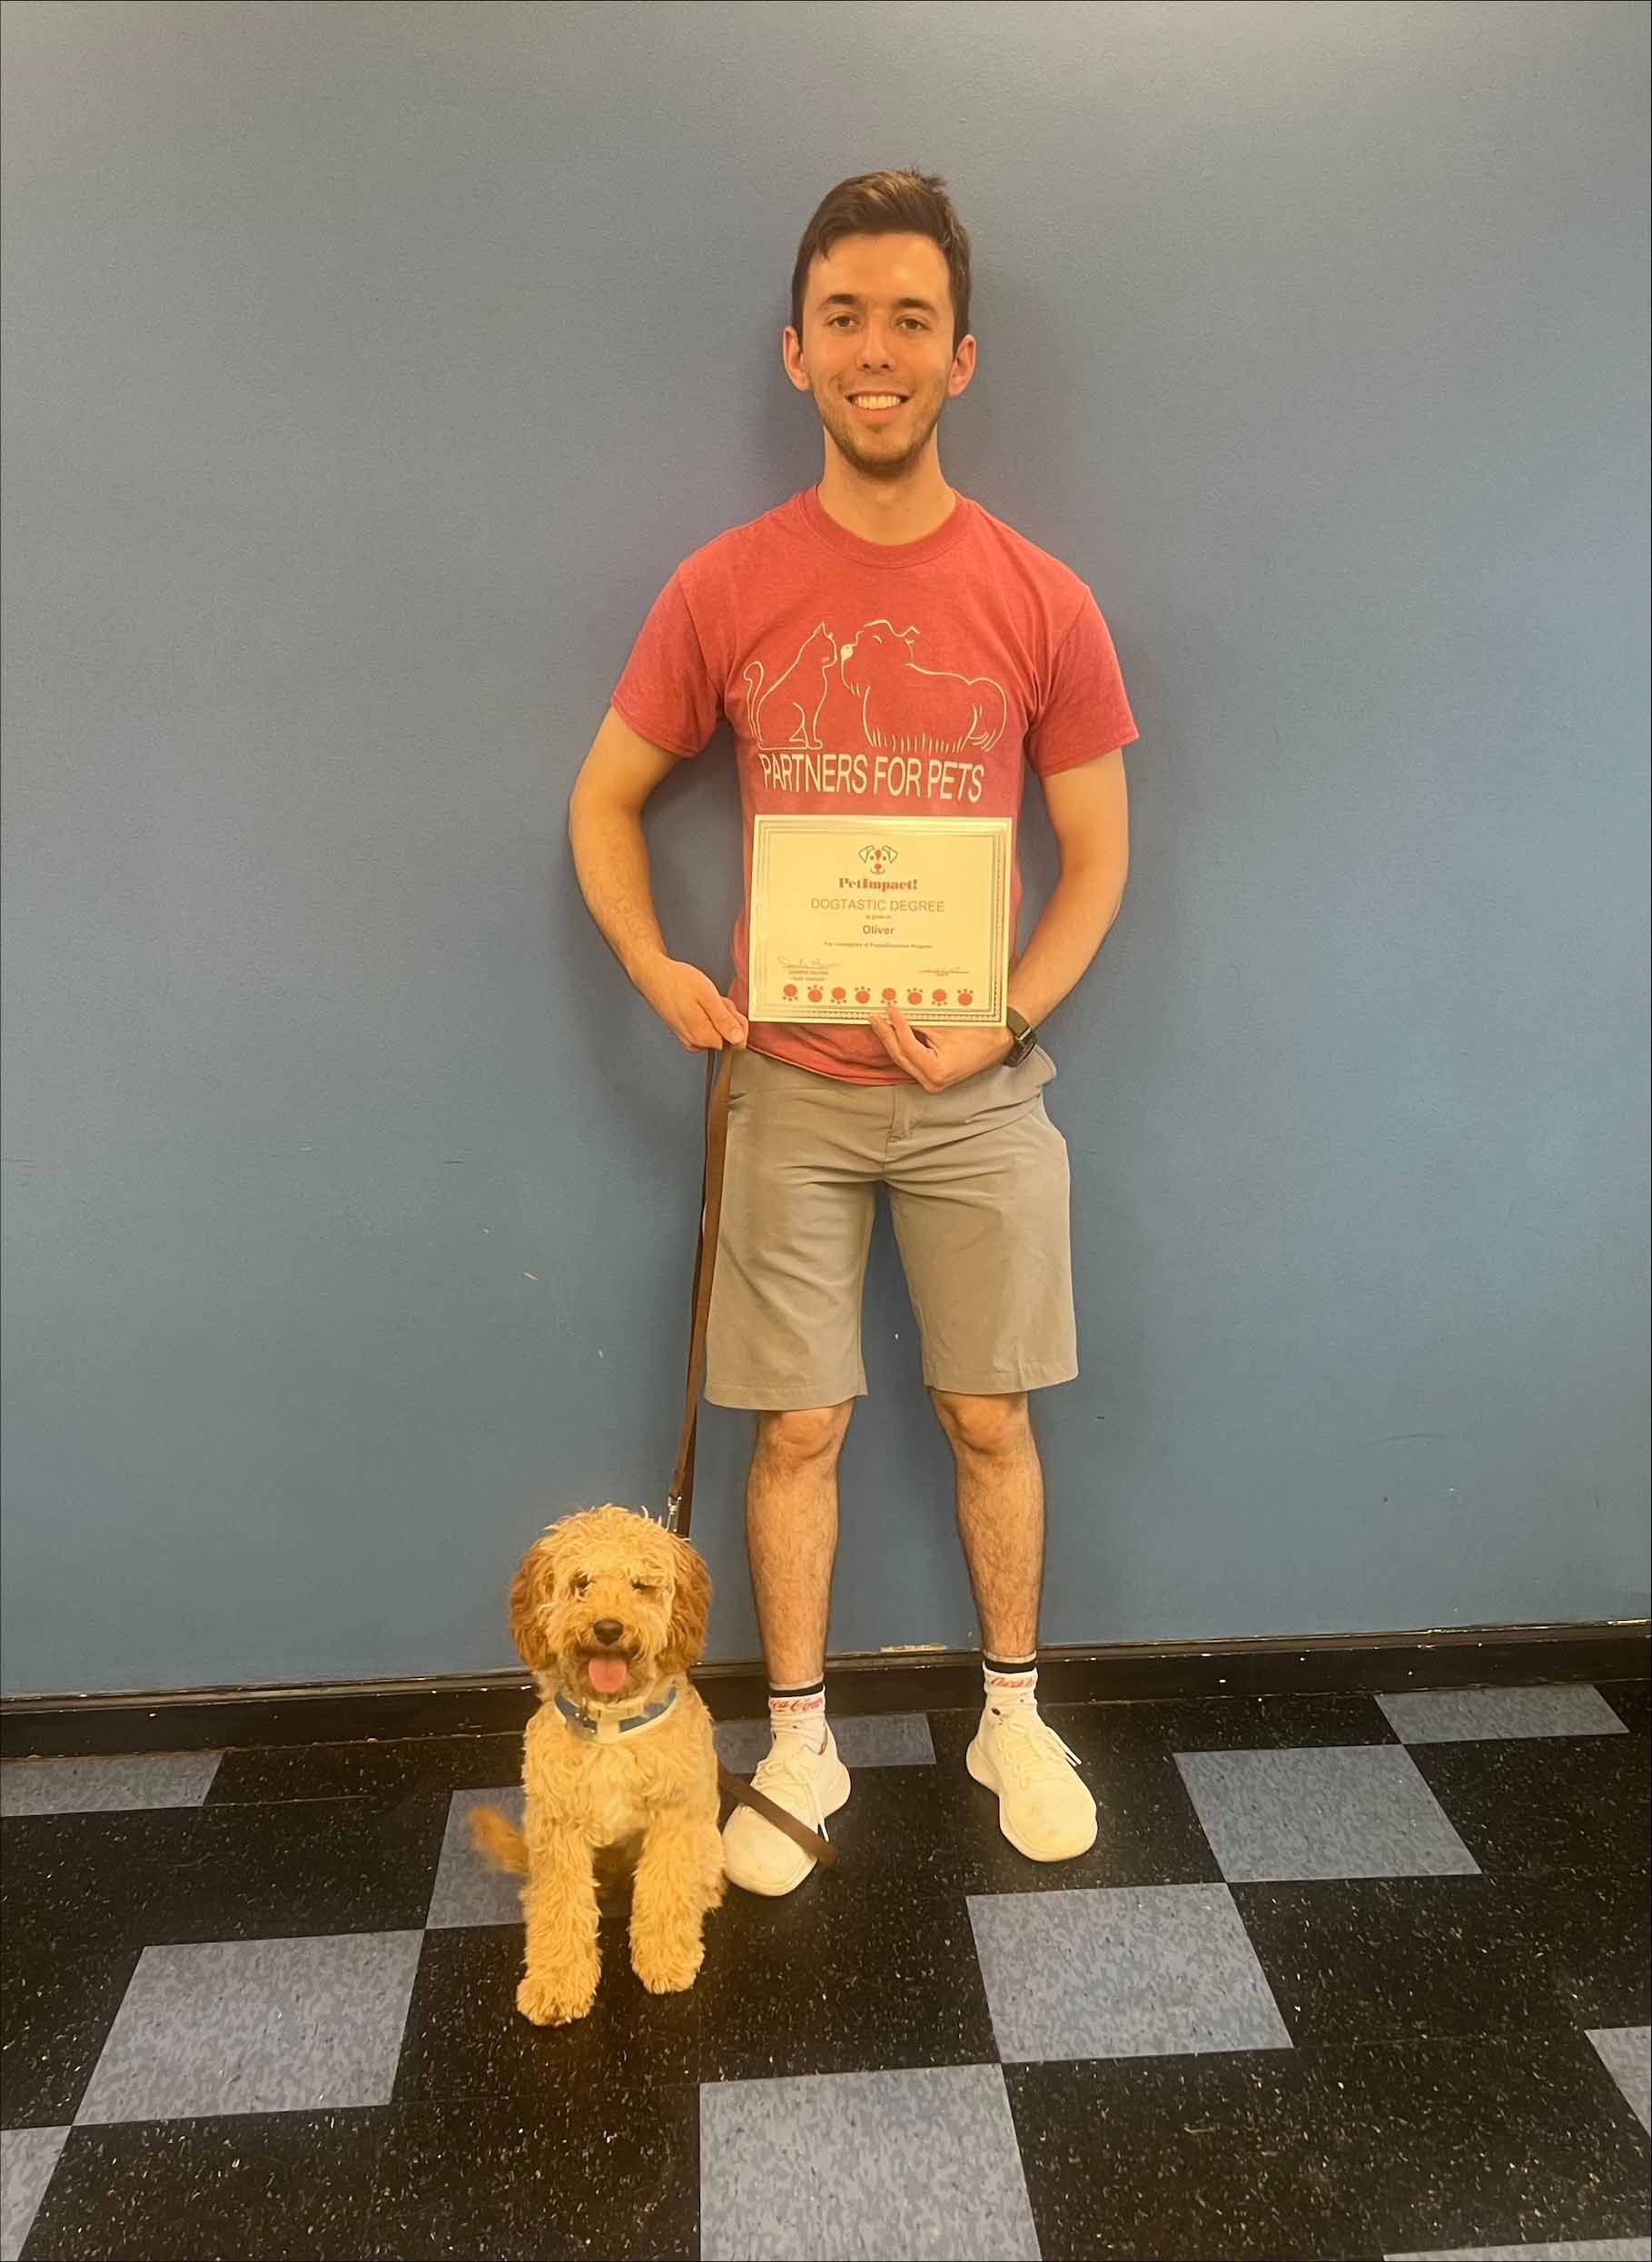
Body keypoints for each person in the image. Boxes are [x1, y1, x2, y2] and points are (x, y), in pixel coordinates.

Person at [569, 169, 1137, 1896]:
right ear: (795, 354)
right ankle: (799, 1743)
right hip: (785, 1099)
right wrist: (661, 968)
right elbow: (605, 803)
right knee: (794, 1431)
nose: (874, 353)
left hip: (979, 1099)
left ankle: (1011, 1714)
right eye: (843, 320)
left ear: (961, 360)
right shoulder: (724, 587)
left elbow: (1101, 858)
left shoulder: (1043, 598)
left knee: (991, 1420)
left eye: (909, 321)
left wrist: (1009, 1015)